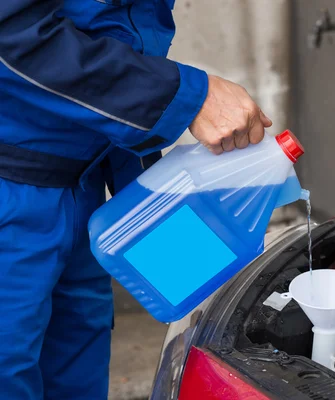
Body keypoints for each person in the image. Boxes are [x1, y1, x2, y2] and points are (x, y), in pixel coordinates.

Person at [0, 1, 272, 399]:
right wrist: (189, 96)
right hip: (13, 186)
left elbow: (116, 30)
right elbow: (10, 34)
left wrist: (145, 191)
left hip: (84, 185)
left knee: (76, 378)